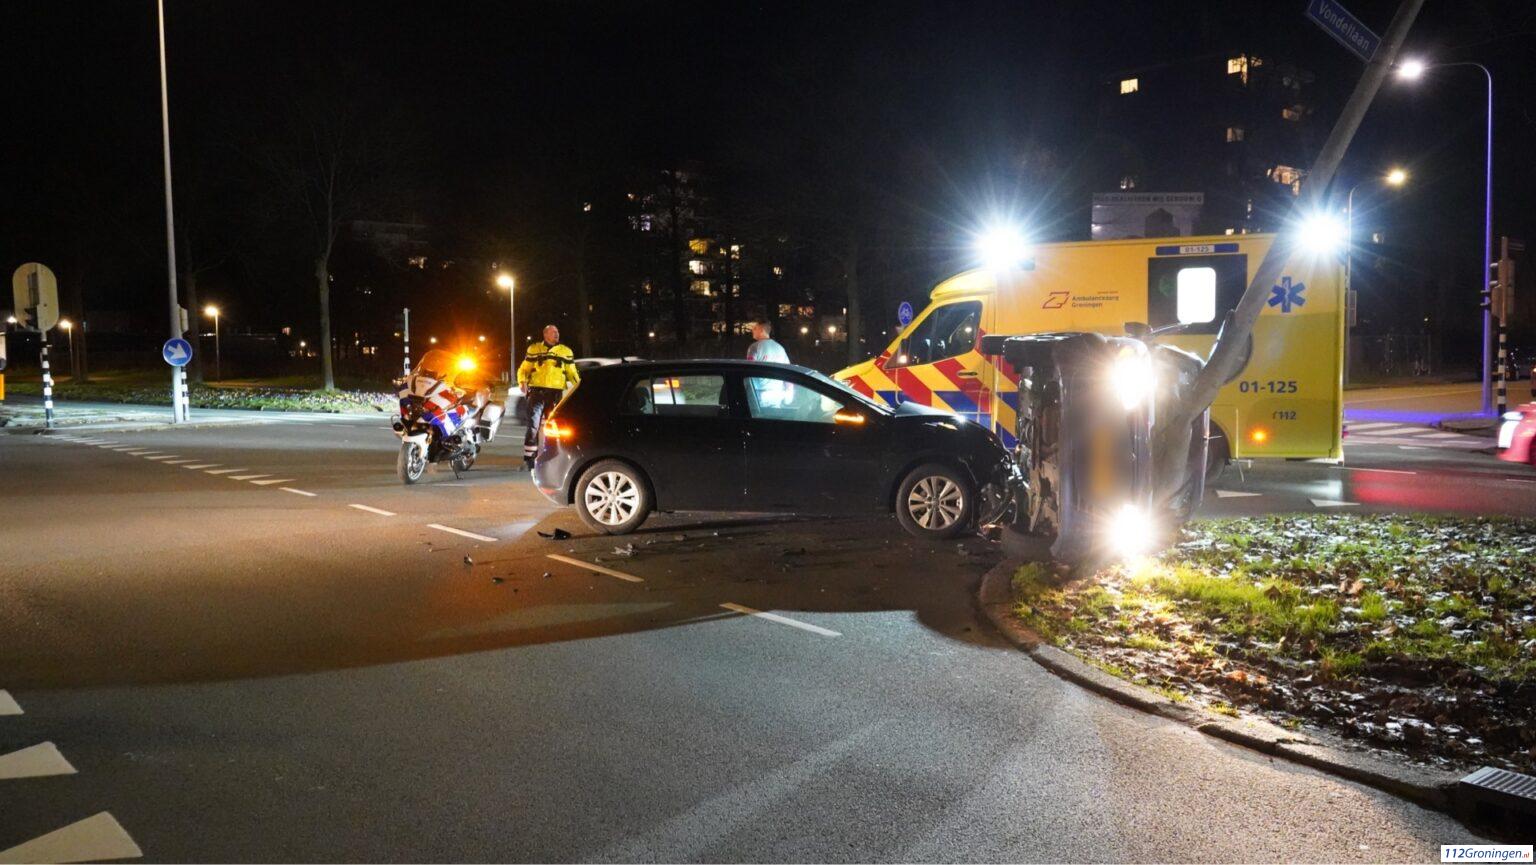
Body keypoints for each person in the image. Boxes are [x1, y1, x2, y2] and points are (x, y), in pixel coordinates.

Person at [518, 324, 580, 467]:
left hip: (555, 394)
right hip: (537, 392)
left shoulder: (565, 351)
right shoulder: (534, 349)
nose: (557, 334)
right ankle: (530, 459)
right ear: (545, 334)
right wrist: (522, 381)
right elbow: (524, 369)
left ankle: (554, 456)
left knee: (555, 426)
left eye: (557, 332)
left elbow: (572, 372)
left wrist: (579, 386)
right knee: (533, 426)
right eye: (553, 332)